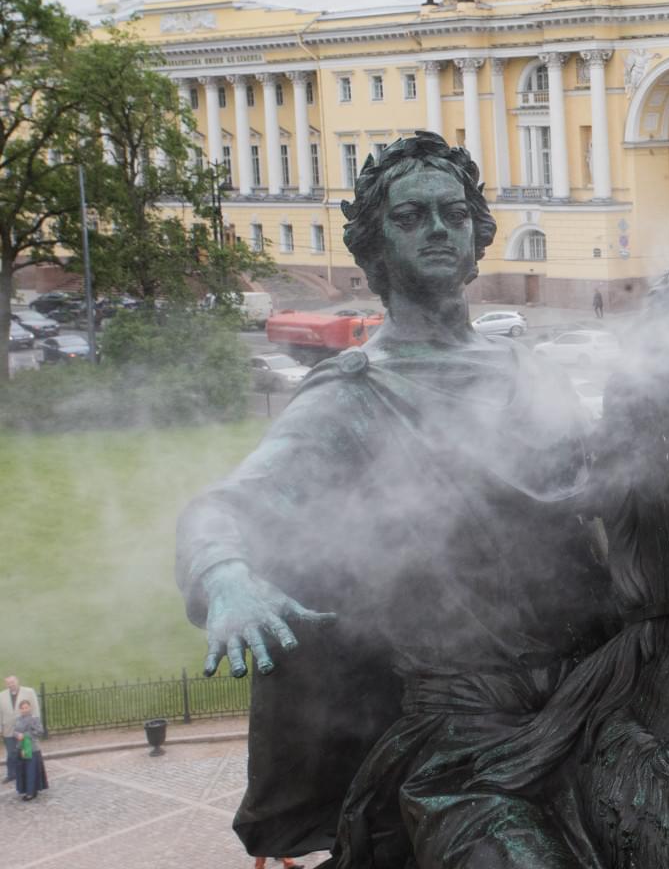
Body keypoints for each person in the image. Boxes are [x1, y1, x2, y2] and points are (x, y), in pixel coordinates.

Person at [176, 132, 613, 866]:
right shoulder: (351, 397)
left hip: (595, 689)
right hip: (466, 734)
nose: (438, 229)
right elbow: (223, 508)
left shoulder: (528, 369)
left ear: (476, 237)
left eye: (454, 213)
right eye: (411, 217)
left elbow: (610, 485)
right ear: (376, 249)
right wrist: (224, 577)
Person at [2, 674, 39, 784]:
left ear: (17, 681)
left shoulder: (29, 692)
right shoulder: (1, 695)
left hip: (24, 729)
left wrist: (35, 725)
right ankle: (11, 774)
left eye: (12, 682)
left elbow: (35, 709)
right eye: (8, 683)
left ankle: (24, 774)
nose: (11, 685)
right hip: (8, 729)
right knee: (10, 753)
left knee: (25, 752)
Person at [12, 698, 46, 801]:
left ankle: (31, 793)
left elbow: (40, 731)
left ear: (30, 708)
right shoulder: (18, 719)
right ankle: (26, 789)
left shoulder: (35, 719)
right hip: (21, 748)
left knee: (31, 771)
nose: (24, 710)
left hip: (32, 749)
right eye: (22, 708)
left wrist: (25, 735)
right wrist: (17, 735)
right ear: (20, 709)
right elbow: (14, 731)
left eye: (26, 707)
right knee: (23, 771)